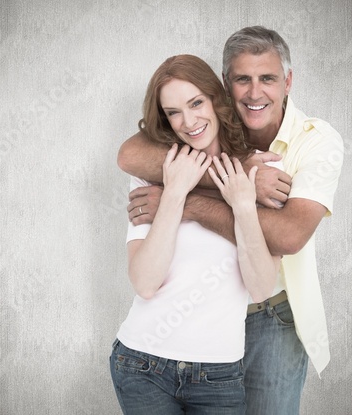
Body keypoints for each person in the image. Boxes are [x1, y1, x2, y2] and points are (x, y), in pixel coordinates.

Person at [117, 26, 344, 415]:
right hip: (149, 357)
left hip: (268, 312)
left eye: (268, 79)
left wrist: (192, 201)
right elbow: (129, 154)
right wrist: (219, 178)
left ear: (288, 81)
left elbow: (288, 237)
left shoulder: (307, 146)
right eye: (243, 79)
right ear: (225, 86)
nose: (255, 93)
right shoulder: (180, 157)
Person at [110, 54, 280, 415]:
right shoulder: (155, 174)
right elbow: (144, 283)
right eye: (173, 112)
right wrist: (174, 192)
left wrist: (244, 206)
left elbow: (262, 288)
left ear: (216, 100)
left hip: (219, 374)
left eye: (196, 103)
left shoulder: (260, 172)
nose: (188, 121)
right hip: (142, 364)